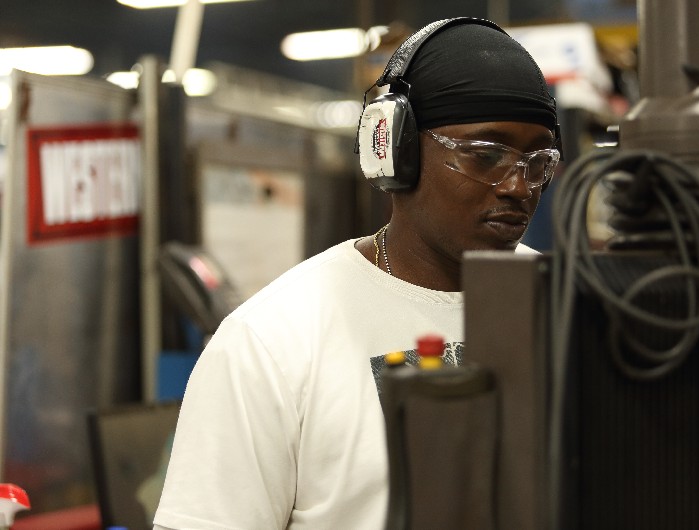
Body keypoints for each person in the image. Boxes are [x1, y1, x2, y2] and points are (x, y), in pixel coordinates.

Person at [153, 16, 559, 530]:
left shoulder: (572, 309)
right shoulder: (272, 342)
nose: (518, 186)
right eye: (485, 155)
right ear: (397, 152)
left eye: (538, 162)